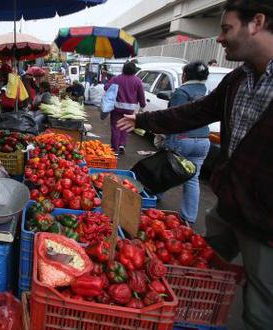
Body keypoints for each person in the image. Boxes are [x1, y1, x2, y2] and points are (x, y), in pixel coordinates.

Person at [117, 1, 273, 328]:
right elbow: (194, 112)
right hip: (229, 206)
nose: (219, 38)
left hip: (266, 223)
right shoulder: (237, 80)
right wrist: (144, 119)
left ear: (257, 23)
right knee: (198, 271)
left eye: (226, 28)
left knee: (259, 311)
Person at [159, 61, 211, 224]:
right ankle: (189, 217)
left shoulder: (181, 92)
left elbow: (174, 119)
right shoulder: (206, 91)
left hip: (183, 139)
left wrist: (166, 140)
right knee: (192, 178)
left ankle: (153, 198)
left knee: (167, 170)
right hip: (203, 141)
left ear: (186, 75)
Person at [104, 62, 146, 154]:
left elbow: (106, 87)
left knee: (116, 127)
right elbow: (141, 95)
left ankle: (115, 149)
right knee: (125, 127)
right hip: (130, 110)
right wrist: (142, 104)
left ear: (123, 69)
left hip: (117, 108)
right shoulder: (137, 80)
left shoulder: (116, 78)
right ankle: (122, 145)